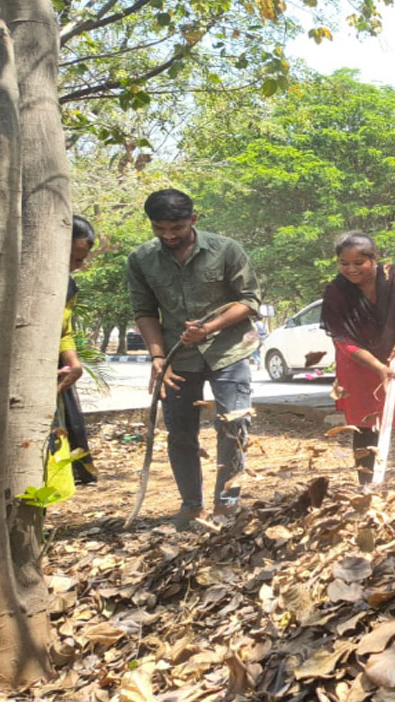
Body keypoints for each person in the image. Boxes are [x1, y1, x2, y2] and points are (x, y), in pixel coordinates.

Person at [127, 189, 261, 521]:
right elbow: (145, 312)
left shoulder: (226, 250)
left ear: (193, 220)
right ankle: (191, 505)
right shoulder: (141, 259)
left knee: (234, 424)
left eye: (176, 228)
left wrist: (209, 328)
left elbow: (250, 301)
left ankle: (226, 503)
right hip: (177, 360)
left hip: (229, 352)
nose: (168, 236)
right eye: (160, 229)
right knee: (181, 433)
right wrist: (158, 358)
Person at [321, 232, 395, 480]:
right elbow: (343, 339)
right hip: (359, 364)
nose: (351, 269)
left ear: (374, 258)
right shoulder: (336, 292)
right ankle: (367, 482)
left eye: (358, 263)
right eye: (344, 263)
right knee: (365, 424)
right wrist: (377, 367)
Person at [60, 215, 98, 485]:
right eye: (72, 259)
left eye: (80, 260)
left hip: (56, 371)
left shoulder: (68, 285)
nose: (76, 266)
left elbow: (64, 330)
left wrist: (73, 362)